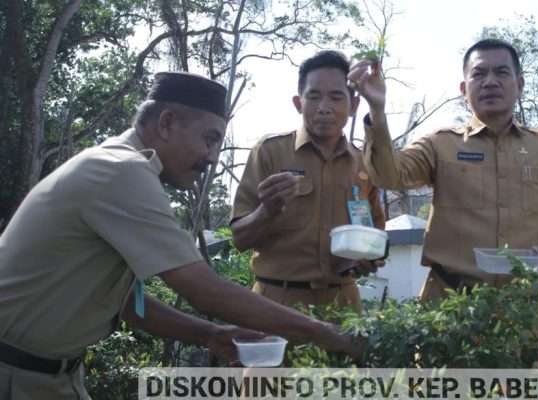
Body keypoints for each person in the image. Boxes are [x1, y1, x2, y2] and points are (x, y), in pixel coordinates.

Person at [0, 72, 357, 399]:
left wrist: (210, 335)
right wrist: (322, 332)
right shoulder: (120, 172)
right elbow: (205, 291)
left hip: (52, 376)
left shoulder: (122, 168)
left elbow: (126, 303)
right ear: (168, 122)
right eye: (210, 139)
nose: (213, 157)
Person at [349, 38, 538, 300]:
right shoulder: (440, 144)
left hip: (522, 311)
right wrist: (377, 111)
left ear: (519, 85)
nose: (490, 82)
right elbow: (388, 175)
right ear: (464, 89)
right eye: (479, 73)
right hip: (448, 307)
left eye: (501, 72)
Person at [231, 50, 386, 311]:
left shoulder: (364, 164)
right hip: (276, 302)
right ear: (298, 103)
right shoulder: (270, 152)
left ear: (353, 106)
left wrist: (368, 257)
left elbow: (376, 238)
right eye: (314, 96)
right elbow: (239, 239)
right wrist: (266, 211)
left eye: (336, 97)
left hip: (343, 303)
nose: (324, 107)